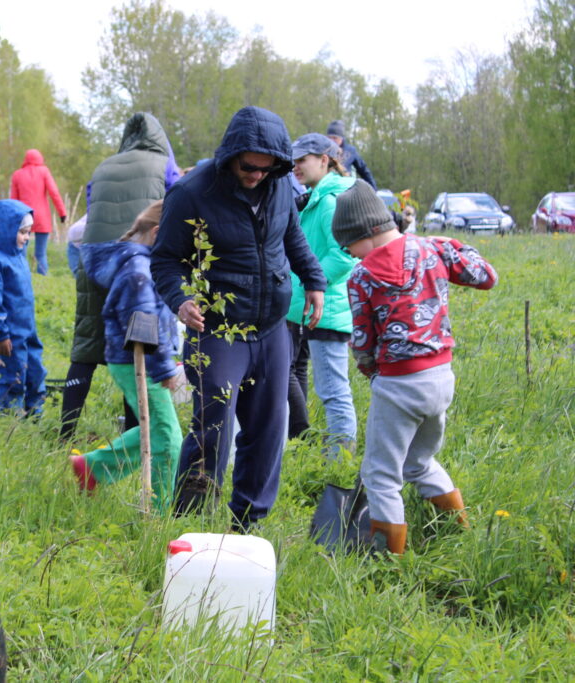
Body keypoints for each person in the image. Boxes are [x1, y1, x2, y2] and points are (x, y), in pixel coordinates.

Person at [151, 106, 327, 530]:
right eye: (250, 167)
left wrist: (315, 279)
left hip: (270, 327)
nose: (256, 175)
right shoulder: (193, 192)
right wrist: (180, 300)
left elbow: (292, 236)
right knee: (214, 425)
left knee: (268, 428)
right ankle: (189, 522)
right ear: (233, 154)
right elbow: (164, 260)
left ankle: (247, 524)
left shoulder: (279, 184)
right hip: (217, 330)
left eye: (267, 169)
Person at [331, 181, 497, 554]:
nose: (350, 255)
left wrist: (369, 369)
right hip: (441, 379)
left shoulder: (361, 277)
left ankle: (389, 561)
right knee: (420, 461)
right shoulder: (433, 249)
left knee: (381, 475)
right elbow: (486, 277)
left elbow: (363, 340)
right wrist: (451, 244)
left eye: (347, 246)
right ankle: (459, 533)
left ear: (366, 234)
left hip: (398, 385)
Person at [60, 112, 180, 442]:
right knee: (138, 341)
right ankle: (134, 430)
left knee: (85, 346)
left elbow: (91, 205)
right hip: (137, 260)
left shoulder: (104, 166)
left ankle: (65, 433)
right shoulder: (163, 164)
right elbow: (177, 206)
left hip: (93, 258)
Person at [69, 200, 181, 512]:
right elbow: (144, 320)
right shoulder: (139, 271)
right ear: (157, 233)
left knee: (158, 430)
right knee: (168, 439)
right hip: (138, 361)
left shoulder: (142, 262)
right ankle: (158, 514)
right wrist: (164, 369)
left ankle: (92, 467)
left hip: (140, 359)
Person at [286, 133, 358, 456]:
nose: (295, 166)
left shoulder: (330, 201)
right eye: (294, 161)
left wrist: (309, 284)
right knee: (299, 374)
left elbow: (344, 256)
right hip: (307, 306)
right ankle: (303, 447)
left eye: (302, 160)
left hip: (326, 309)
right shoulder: (316, 196)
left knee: (333, 391)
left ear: (324, 161)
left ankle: (339, 464)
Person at [0, 198, 47, 416]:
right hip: (10, 337)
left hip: (29, 332)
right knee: (13, 380)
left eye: (28, 233)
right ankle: (11, 426)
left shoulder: (20, 259)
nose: (26, 238)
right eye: (22, 232)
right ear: (6, 230)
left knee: (36, 376)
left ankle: (35, 420)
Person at [9, 149, 67, 275]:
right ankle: (43, 280)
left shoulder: (17, 174)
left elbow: (13, 200)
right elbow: (54, 193)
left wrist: (11, 219)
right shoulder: (44, 172)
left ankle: (21, 277)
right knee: (41, 254)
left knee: (21, 251)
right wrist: (62, 213)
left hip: (24, 216)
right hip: (42, 217)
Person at [326, 120, 376, 188]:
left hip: (345, 189)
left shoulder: (351, 151)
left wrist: (373, 189)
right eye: (329, 138)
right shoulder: (322, 151)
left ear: (341, 138)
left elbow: (364, 171)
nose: (332, 141)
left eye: (335, 138)